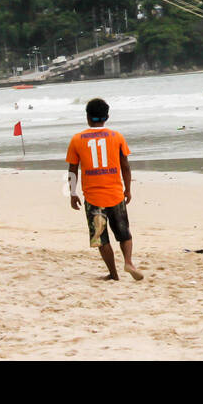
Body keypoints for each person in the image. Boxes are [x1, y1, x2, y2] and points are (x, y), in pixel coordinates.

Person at [66, 98, 143, 281]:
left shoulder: (77, 139)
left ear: (87, 117)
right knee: (124, 233)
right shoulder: (117, 137)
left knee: (101, 239)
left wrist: (72, 193)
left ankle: (114, 274)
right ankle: (129, 262)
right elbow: (125, 166)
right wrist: (128, 189)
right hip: (115, 194)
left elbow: (72, 169)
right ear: (107, 117)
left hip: (93, 198)